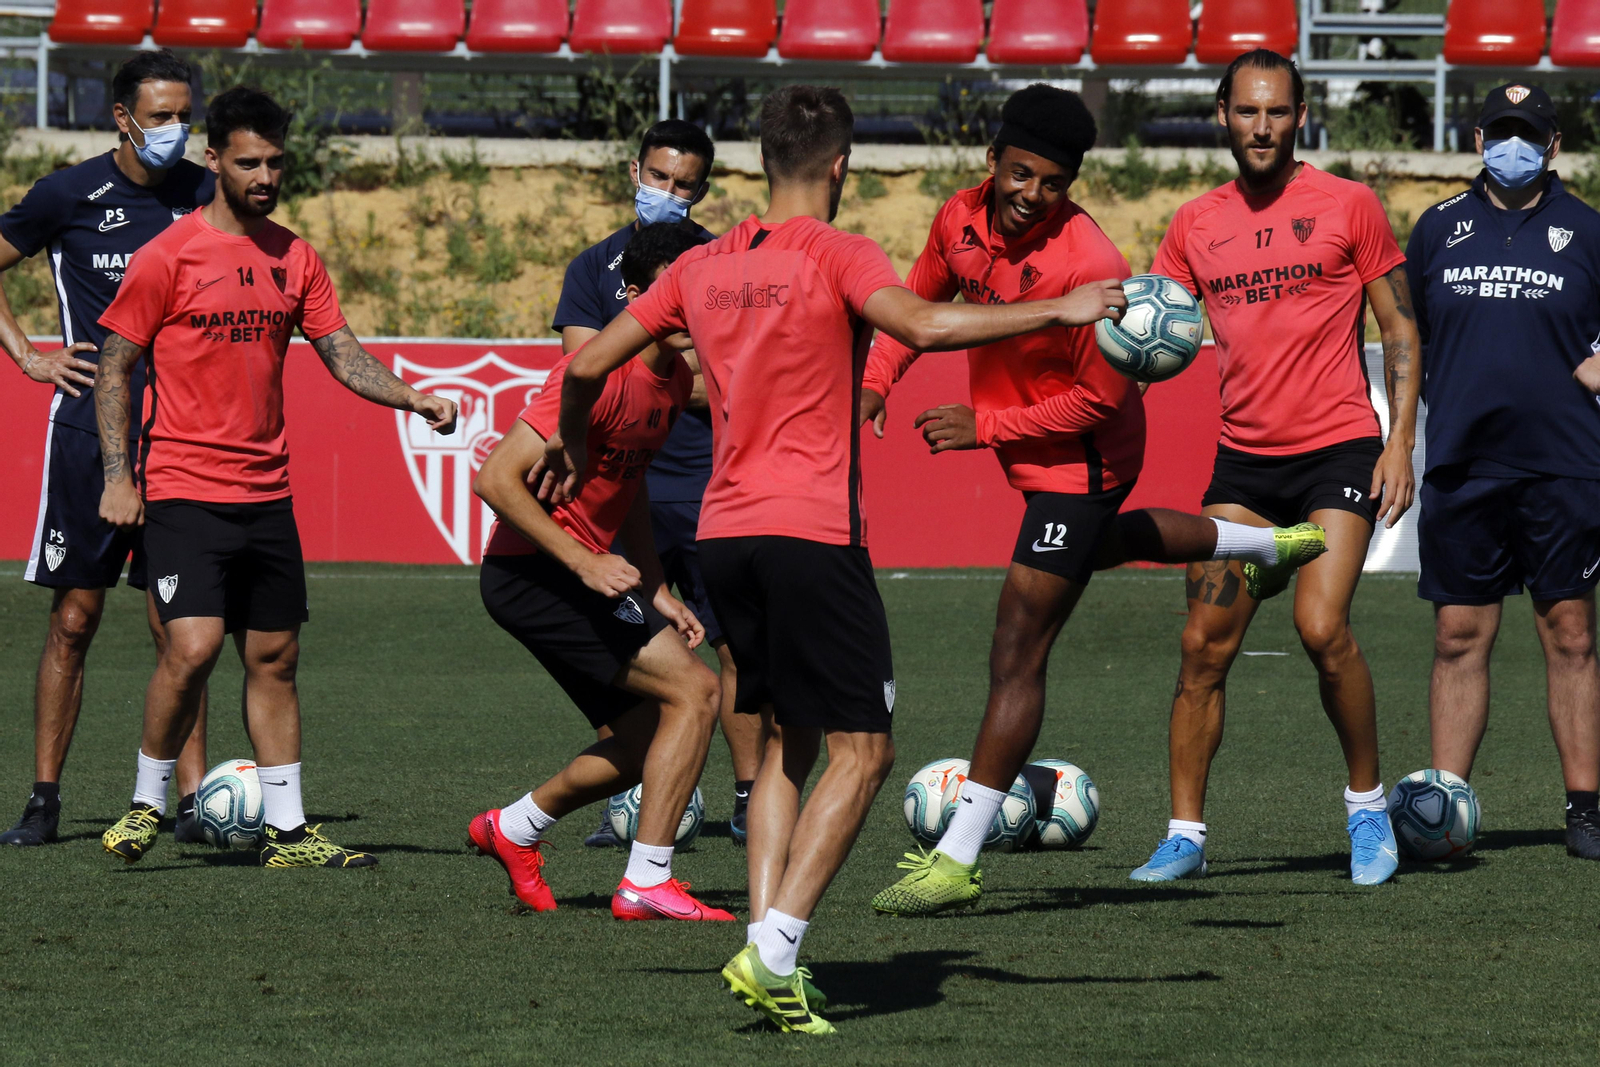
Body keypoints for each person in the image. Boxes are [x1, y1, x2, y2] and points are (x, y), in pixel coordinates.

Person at [543, 84, 1128, 1035]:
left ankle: (766, 939)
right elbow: (925, 325)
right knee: (867, 751)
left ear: (760, 161)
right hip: (810, 535)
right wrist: (1065, 304)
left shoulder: (703, 261)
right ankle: (774, 951)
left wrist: (572, 445)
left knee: (788, 743)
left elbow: (579, 367)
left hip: (723, 536)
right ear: (843, 166)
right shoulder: (842, 253)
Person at [860, 85, 1329, 917]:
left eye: (1052, 183)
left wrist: (985, 427)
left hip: (1083, 462)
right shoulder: (955, 220)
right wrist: (875, 381)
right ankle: (1261, 546)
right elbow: (915, 306)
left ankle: (959, 856)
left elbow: (1098, 404)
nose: (1031, 196)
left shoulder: (1091, 265)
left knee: (1017, 647)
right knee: (1104, 548)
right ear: (993, 159)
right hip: (1032, 451)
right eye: (1019, 173)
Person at [93, 87, 458, 868]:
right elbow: (114, 368)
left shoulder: (296, 256)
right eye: (249, 162)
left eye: (276, 163)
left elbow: (343, 354)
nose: (265, 176)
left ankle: (290, 833)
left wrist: (413, 397)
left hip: (268, 494)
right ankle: (144, 804)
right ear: (213, 159)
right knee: (190, 650)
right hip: (186, 487)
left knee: (276, 658)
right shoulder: (169, 255)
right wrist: (118, 477)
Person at [1131, 49, 1423, 887]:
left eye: (1279, 112)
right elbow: (1154, 326)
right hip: (1243, 466)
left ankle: (1368, 812)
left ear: (1301, 117)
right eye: (1248, 111)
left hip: (1337, 451)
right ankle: (1185, 833)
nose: (1263, 126)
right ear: (1221, 114)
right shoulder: (1192, 224)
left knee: (1321, 627)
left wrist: (1399, 440)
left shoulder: (1349, 204)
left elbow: (1400, 329)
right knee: (1202, 647)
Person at [468, 221, 733, 921]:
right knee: (699, 693)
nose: (693, 311)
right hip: (534, 573)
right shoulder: (593, 372)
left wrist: (655, 585)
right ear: (637, 294)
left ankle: (514, 827)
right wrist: (584, 561)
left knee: (650, 734)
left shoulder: (673, 378)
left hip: (581, 574)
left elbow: (630, 486)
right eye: (677, 295)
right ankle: (647, 879)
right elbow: (495, 478)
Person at [0, 50, 214, 848]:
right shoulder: (67, 192)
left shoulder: (206, 193)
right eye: (160, 116)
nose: (176, 131)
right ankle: (44, 800)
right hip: (90, 434)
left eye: (184, 115)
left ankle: (191, 801)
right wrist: (28, 354)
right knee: (74, 618)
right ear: (123, 118)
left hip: (185, 436)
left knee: (180, 625)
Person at [553, 120, 767, 848]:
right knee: (630, 652)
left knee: (734, 645)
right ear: (634, 171)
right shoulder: (591, 267)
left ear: (703, 189)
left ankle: (748, 796)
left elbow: (738, 381)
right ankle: (643, 797)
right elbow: (578, 372)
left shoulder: (726, 262)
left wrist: (651, 370)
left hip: (714, 483)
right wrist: (680, 368)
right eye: (658, 178)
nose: (668, 194)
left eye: (684, 184)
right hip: (622, 493)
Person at [1405, 83, 1600, 861]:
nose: (1514, 147)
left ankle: (1585, 808)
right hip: (1462, 461)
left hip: (1565, 464)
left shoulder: (1588, 230)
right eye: (1501, 132)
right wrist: (1396, 444)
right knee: (1458, 634)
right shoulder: (1437, 229)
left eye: (1531, 135)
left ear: (1553, 147)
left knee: (1572, 631)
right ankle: (1445, 809)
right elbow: (1407, 338)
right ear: (1479, 135)